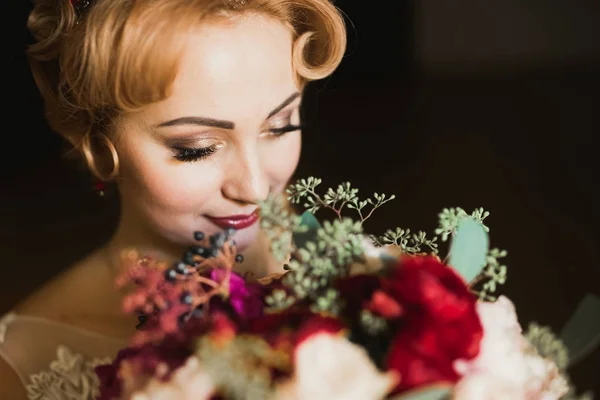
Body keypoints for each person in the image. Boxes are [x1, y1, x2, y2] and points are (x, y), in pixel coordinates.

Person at [0, 0, 346, 398]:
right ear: (97, 144)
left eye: (281, 126)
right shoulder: (21, 365)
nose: (254, 188)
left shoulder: (369, 279)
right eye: (196, 148)